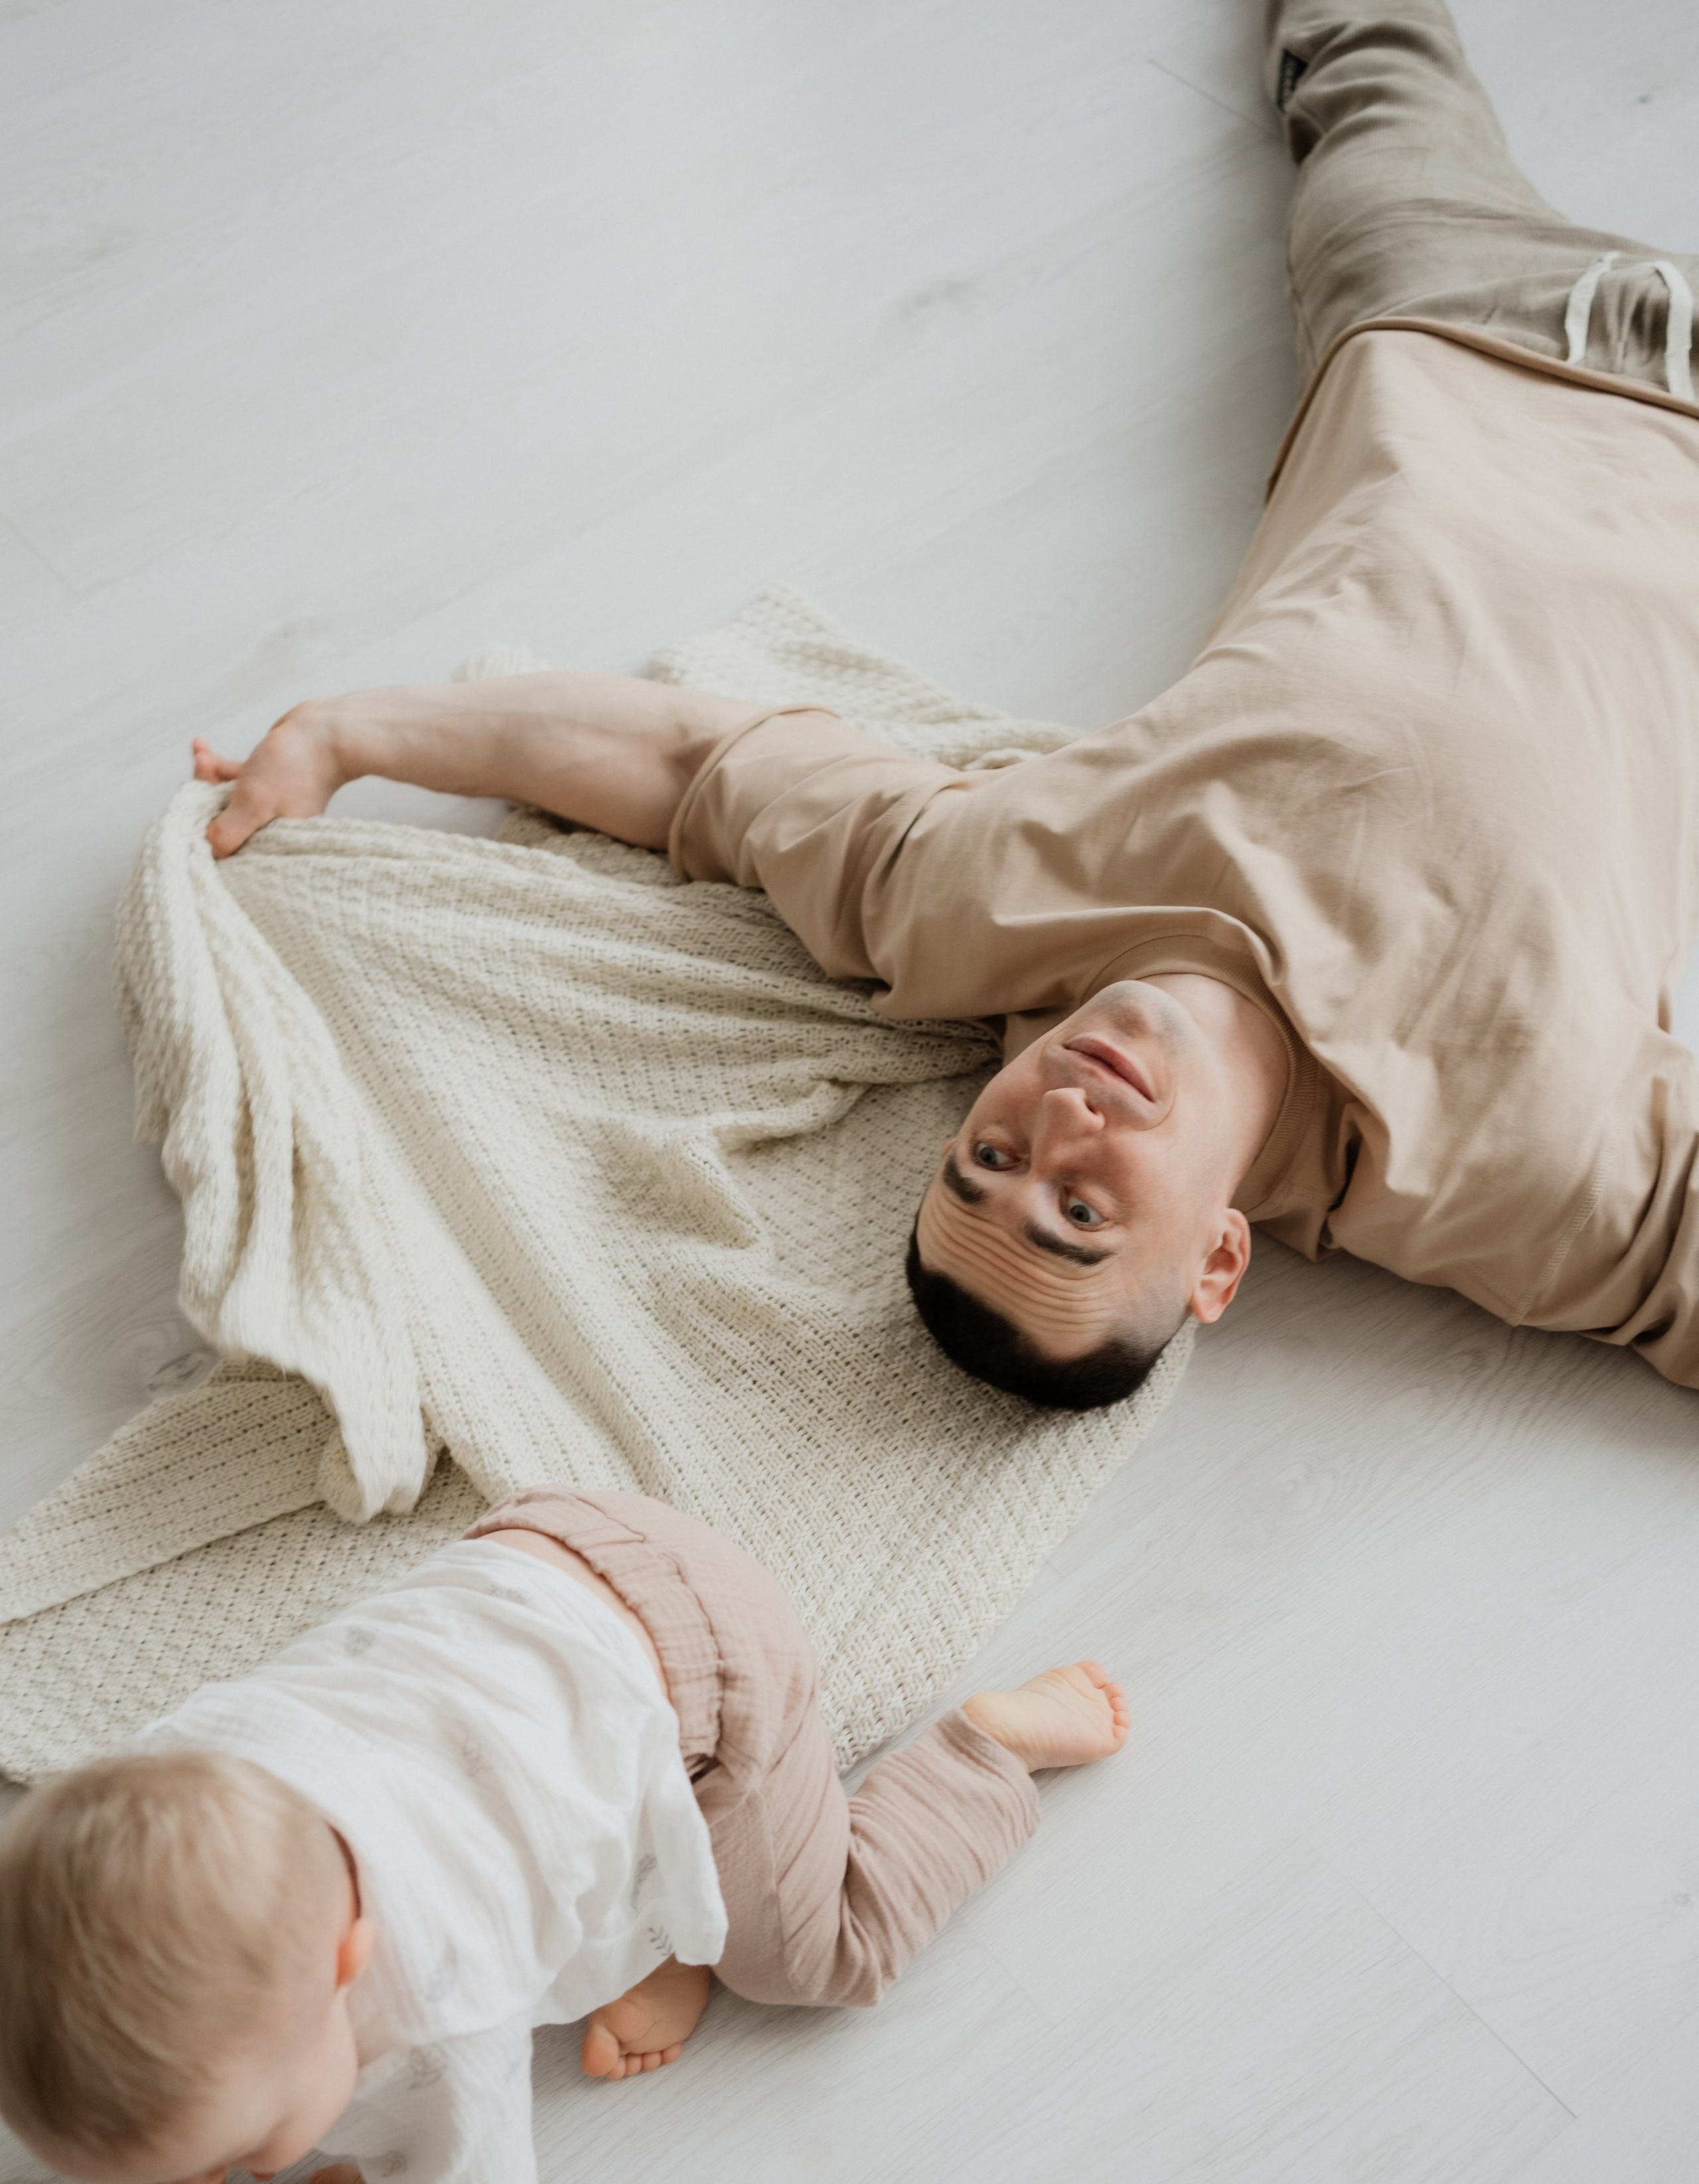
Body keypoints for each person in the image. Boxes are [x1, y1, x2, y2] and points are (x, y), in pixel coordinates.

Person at [189, 0, 1699, 1414]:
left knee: (1359, 53)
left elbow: (682, 762)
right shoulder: (1509, 1183)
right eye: (1082, 1209)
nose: (1048, 1129)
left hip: (1445, 326)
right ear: (1217, 1258)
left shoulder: (978, 910)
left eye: (984, 1156)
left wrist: (350, 730)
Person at [0, 1487, 1125, 2184]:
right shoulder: (180, 1771)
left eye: (250, 2143)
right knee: (547, 1837)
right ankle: (666, 1921)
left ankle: (991, 1749)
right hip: (543, 1548)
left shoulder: (431, 2029)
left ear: (352, 1962)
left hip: (719, 1679)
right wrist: (163, 2112)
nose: (235, 2172)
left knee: (818, 1955)